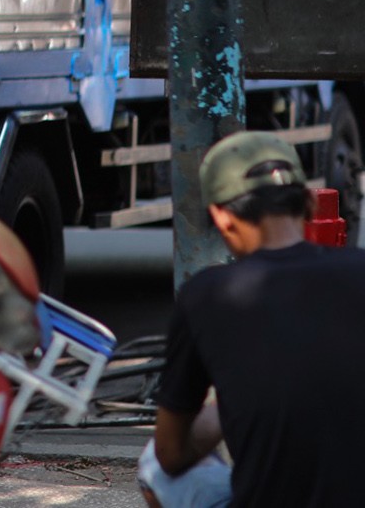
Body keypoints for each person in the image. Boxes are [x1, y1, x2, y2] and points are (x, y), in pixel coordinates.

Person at [139, 131, 365, 508]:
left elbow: (170, 452)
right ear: (309, 204)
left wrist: (234, 403)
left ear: (222, 218)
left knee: (153, 468)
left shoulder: (205, 295)